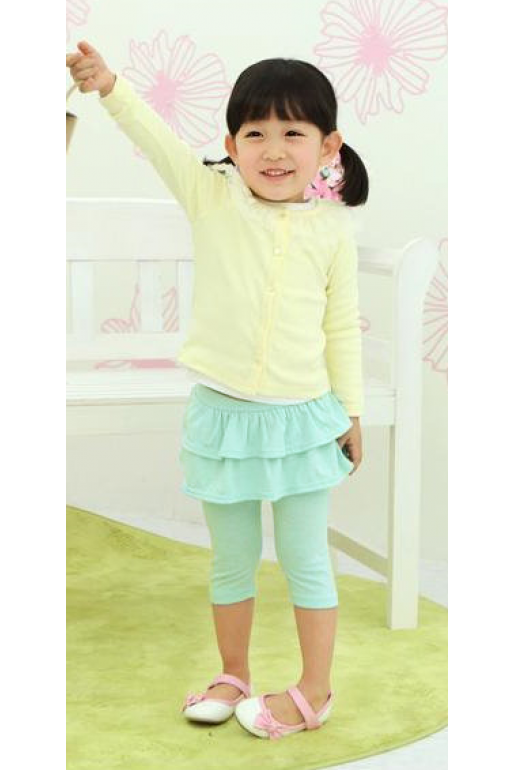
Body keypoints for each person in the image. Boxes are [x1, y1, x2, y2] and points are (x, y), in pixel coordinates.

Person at [66, 40, 368, 741]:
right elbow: (156, 139)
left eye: (293, 133)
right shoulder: (211, 196)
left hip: (302, 421)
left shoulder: (333, 230)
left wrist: (350, 412)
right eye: (255, 133)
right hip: (223, 420)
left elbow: (341, 328)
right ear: (231, 147)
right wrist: (110, 87)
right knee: (231, 559)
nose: (274, 149)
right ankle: (234, 674)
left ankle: (315, 689)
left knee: (305, 558)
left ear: (328, 146)